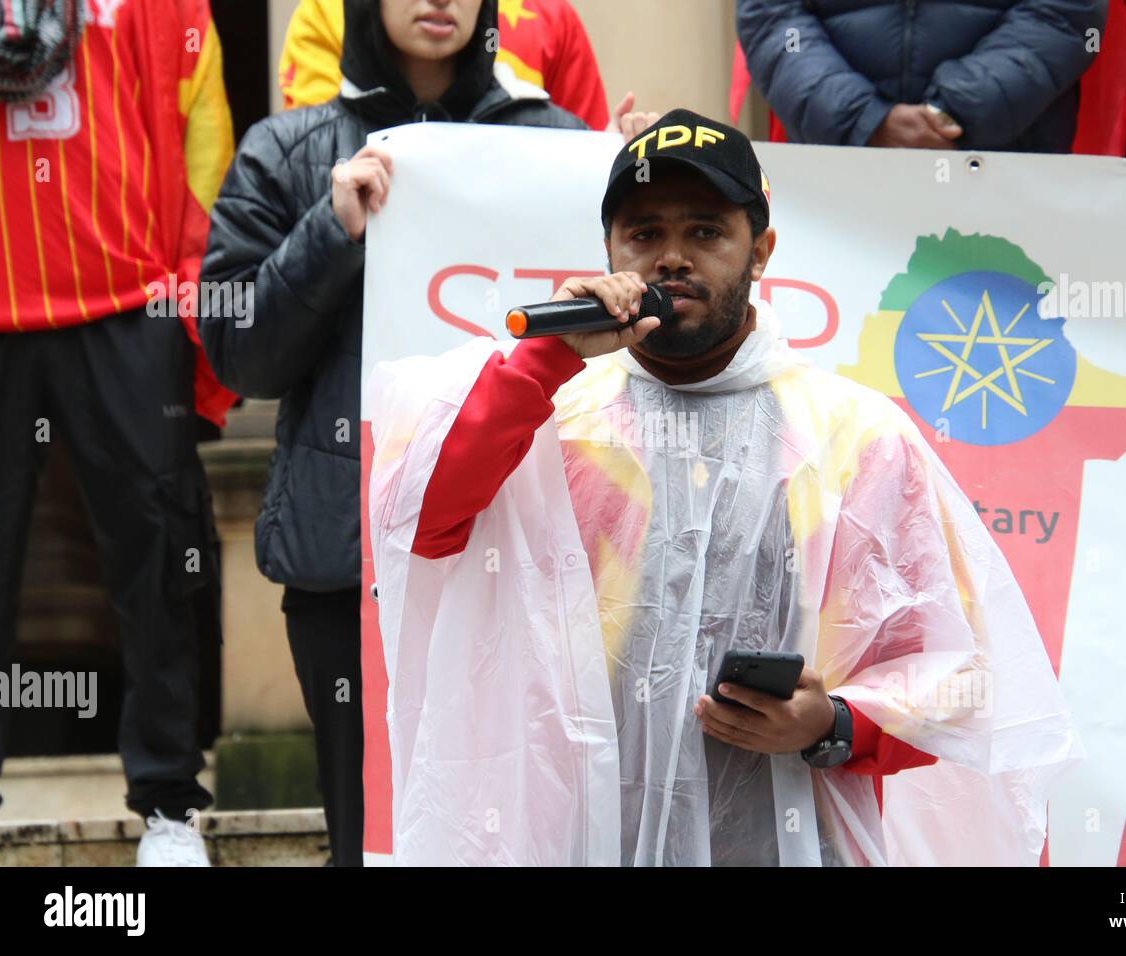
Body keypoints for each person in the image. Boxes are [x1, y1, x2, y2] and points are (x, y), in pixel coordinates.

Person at [367, 109, 1083, 865]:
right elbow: (420, 531)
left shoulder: (854, 435)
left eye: (706, 232)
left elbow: (952, 674)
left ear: (761, 250)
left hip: (790, 834)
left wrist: (831, 724)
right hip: (576, 831)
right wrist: (545, 364)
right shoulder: (545, 412)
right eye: (644, 235)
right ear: (608, 251)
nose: (672, 259)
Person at [199, 0, 655, 867]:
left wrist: (639, 189)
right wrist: (328, 235)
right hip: (352, 557)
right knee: (374, 836)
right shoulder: (288, 151)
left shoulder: (562, 143)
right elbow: (239, 355)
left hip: (544, 545)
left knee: (548, 823)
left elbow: (633, 336)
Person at [0, 0, 236, 866]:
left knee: (161, 553)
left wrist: (191, 294)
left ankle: (170, 806)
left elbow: (202, 130)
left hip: (127, 300)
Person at [736, 0, 1105, 152]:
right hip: (841, 180)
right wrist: (863, 120)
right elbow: (773, 17)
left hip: (1003, 170)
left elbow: (1065, 14)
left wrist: (954, 113)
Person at [278, 0, 611, 129]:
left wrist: (613, 168)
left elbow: (579, 163)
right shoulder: (323, 11)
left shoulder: (551, 16)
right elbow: (319, 159)